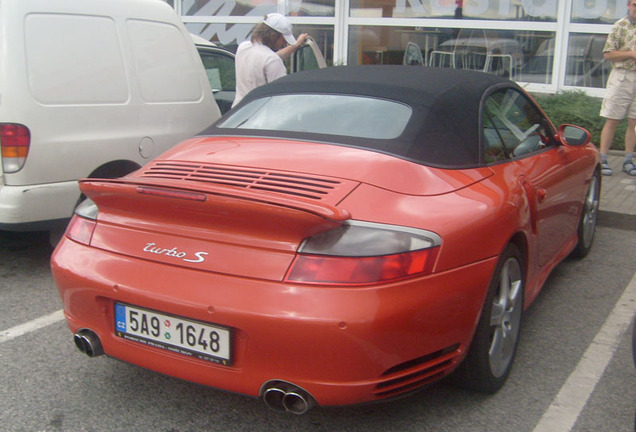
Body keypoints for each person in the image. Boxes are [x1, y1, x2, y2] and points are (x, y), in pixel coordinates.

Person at [232, 13, 307, 108]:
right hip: (261, 116)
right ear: (273, 36)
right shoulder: (271, 60)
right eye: (283, 39)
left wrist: (296, 45)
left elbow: (267, 59)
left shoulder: (243, 47)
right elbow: (280, 98)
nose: (285, 43)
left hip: (238, 111)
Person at [599, 0, 636, 176]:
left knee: (634, 122)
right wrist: (630, 54)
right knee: (612, 119)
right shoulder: (619, 26)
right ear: (628, 5)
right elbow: (608, 54)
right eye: (635, 4)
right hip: (622, 77)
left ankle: (628, 159)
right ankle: (603, 158)